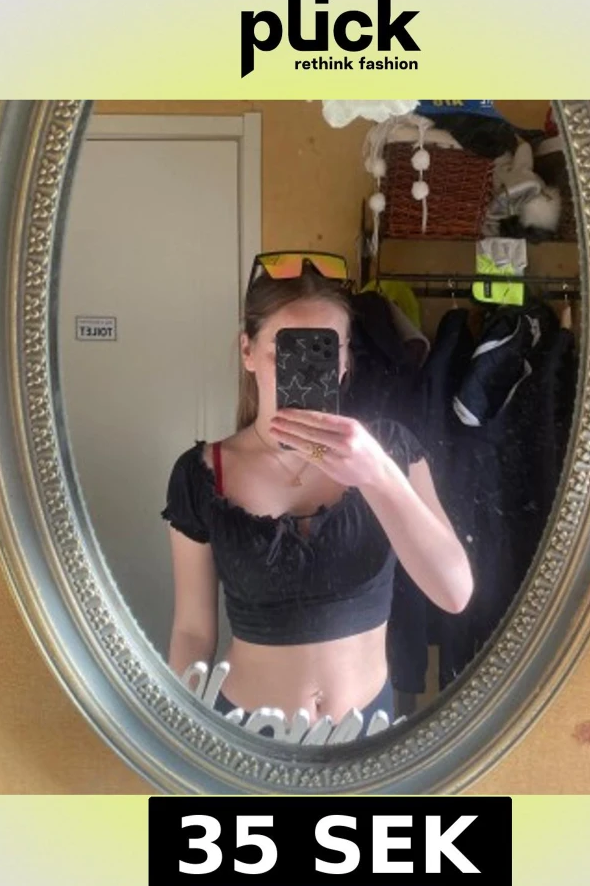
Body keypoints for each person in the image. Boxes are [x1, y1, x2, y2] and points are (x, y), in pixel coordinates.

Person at [161, 252, 473, 735]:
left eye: (324, 349)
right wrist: (181, 733)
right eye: (285, 351)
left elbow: (454, 593)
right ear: (247, 351)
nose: (304, 369)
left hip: (366, 732)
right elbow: (192, 631)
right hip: (246, 736)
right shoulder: (201, 474)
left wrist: (376, 474)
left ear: (345, 360)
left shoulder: (390, 450)